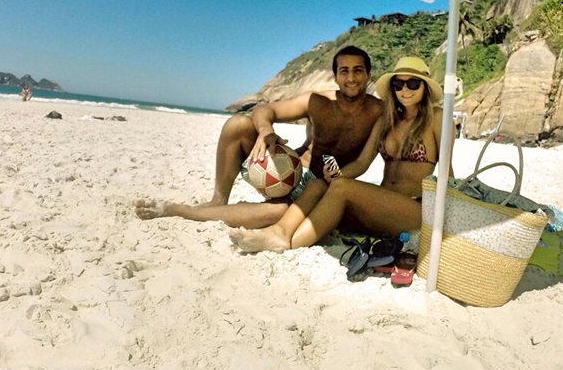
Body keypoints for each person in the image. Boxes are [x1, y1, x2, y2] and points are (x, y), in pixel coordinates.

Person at [134, 46, 384, 228]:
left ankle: (185, 212)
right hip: (286, 171)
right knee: (237, 124)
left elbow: (364, 161)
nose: (351, 78)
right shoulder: (317, 102)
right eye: (344, 71)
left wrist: (340, 176)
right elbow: (266, 110)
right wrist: (266, 130)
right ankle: (218, 200)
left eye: (358, 71)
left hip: (324, 186)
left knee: (280, 212)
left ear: (368, 75)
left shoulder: (379, 112)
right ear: (336, 76)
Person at [229, 55, 452, 253]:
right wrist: (336, 175)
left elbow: (447, 172)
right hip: (381, 206)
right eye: (398, 84)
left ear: (425, 87)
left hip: (414, 209)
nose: (405, 89)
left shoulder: (437, 118)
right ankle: (279, 230)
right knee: (317, 185)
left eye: (413, 83)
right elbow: (362, 162)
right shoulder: (387, 120)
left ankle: (286, 240)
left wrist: (448, 223)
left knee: (343, 188)